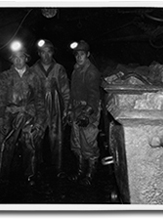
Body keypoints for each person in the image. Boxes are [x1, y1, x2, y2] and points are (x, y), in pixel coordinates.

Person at [0, 41, 46, 188]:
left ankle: (30, 175)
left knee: (29, 141)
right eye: (15, 57)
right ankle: (0, 178)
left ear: (26, 58)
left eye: (21, 57)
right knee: (4, 143)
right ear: (11, 59)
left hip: (29, 114)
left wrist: (40, 122)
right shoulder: (6, 76)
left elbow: (40, 101)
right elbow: (0, 100)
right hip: (10, 114)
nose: (18, 60)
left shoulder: (34, 77)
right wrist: (0, 119)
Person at [31, 39, 70, 179]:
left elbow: (65, 90)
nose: (46, 56)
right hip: (38, 105)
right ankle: (36, 166)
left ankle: (58, 167)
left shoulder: (59, 68)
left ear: (52, 53)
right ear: (39, 53)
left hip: (55, 104)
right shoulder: (33, 70)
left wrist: (66, 109)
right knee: (36, 136)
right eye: (43, 52)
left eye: (49, 52)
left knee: (56, 136)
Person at [67, 40, 102, 186]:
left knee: (88, 143)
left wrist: (87, 114)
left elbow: (94, 96)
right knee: (77, 143)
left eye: (82, 54)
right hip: (77, 110)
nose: (79, 57)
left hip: (88, 111)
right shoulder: (76, 70)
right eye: (77, 55)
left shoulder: (91, 72)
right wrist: (70, 109)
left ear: (87, 54)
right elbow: (73, 92)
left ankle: (90, 174)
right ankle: (80, 171)